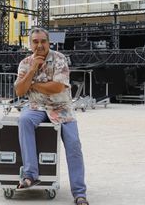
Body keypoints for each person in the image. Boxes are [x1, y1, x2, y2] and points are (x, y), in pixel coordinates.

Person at [14, 27, 89, 205]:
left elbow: (57, 87)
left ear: (49, 42)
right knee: (24, 120)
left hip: (61, 107)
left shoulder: (59, 59)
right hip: (36, 107)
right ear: (30, 43)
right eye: (35, 42)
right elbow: (19, 91)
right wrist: (32, 70)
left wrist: (31, 84)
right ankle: (31, 174)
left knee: (74, 146)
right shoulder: (25, 63)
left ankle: (79, 193)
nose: (39, 45)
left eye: (43, 41)